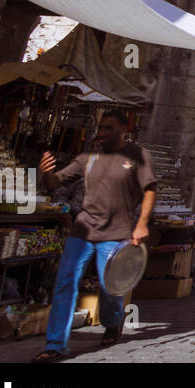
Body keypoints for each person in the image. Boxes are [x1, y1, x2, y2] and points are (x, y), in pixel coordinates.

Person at [33, 109, 156, 362]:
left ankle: (113, 321)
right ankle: (55, 344)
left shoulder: (137, 155)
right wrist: (46, 172)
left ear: (124, 129)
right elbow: (56, 182)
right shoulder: (87, 156)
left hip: (116, 232)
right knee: (65, 283)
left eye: (108, 128)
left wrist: (142, 224)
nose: (102, 132)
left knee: (109, 287)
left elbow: (150, 189)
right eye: (101, 127)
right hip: (83, 229)